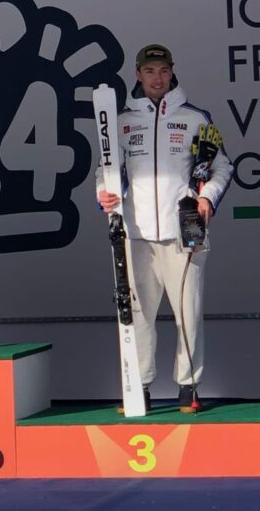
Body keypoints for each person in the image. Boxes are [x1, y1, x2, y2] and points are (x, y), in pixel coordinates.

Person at [96, 44, 233, 413]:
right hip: (135, 234)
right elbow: (105, 170)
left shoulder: (195, 118)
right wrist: (104, 192)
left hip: (184, 233)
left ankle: (189, 386)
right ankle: (139, 387)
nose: (157, 78)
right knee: (138, 315)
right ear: (138, 75)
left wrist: (207, 198)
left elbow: (222, 166)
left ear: (172, 72)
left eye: (163, 71)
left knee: (188, 312)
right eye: (149, 71)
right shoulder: (121, 122)